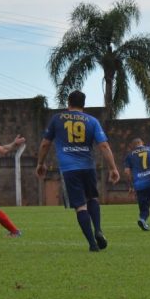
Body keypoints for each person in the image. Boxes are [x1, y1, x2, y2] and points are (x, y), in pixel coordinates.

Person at [36, 90, 120, 252]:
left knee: (80, 206)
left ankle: (92, 244)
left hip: (69, 169)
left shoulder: (57, 119)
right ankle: (98, 230)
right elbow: (103, 145)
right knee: (92, 198)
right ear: (84, 104)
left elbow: (45, 144)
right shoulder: (92, 121)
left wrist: (40, 163)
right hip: (88, 167)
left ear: (68, 103)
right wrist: (113, 168)